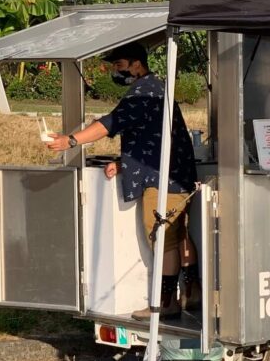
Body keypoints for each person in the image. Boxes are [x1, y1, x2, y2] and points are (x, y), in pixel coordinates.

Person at [45, 42, 198, 321]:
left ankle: (167, 303)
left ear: (137, 65)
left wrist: (70, 140)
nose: (115, 71)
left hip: (163, 177)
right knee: (178, 234)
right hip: (175, 172)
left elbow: (111, 123)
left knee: (162, 236)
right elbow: (149, 136)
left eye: (119, 65)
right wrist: (122, 162)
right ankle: (193, 292)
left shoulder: (144, 92)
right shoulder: (157, 88)